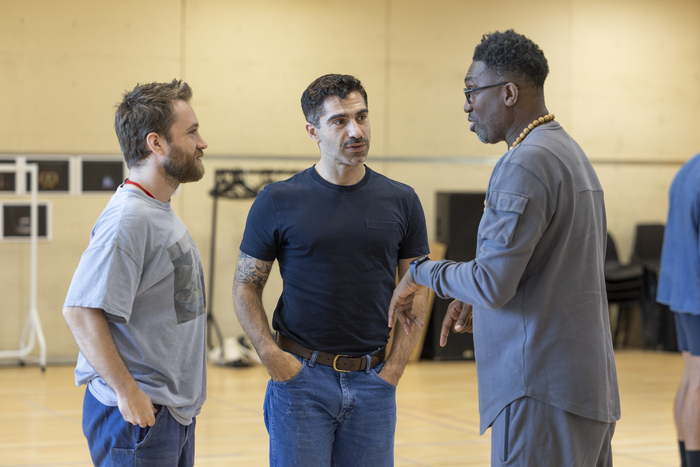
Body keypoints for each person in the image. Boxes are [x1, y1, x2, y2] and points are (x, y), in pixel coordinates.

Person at [388, 30, 621, 466]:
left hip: (540, 392)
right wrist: (476, 293)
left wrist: (421, 272)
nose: (466, 104)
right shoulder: (569, 153)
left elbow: (493, 283)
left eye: (472, 91)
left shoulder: (525, 162)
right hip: (585, 390)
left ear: (509, 93)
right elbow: (535, 272)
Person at [233, 73, 430, 466]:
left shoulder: (402, 200)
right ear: (313, 130)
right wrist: (270, 355)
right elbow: (245, 287)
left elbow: (419, 287)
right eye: (339, 121)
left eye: (362, 116)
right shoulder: (277, 199)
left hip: (375, 382)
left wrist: (394, 368)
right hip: (300, 382)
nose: (355, 130)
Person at [63, 79, 208, 466]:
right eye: (191, 132)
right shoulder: (129, 219)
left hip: (168, 414)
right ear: (156, 143)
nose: (202, 143)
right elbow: (80, 310)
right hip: (136, 417)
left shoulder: (156, 210)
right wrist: (128, 392)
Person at [657, 153, 700, 467]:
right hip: (696, 294)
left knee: (690, 379)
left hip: (681, 290)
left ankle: (688, 457)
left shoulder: (689, 168)